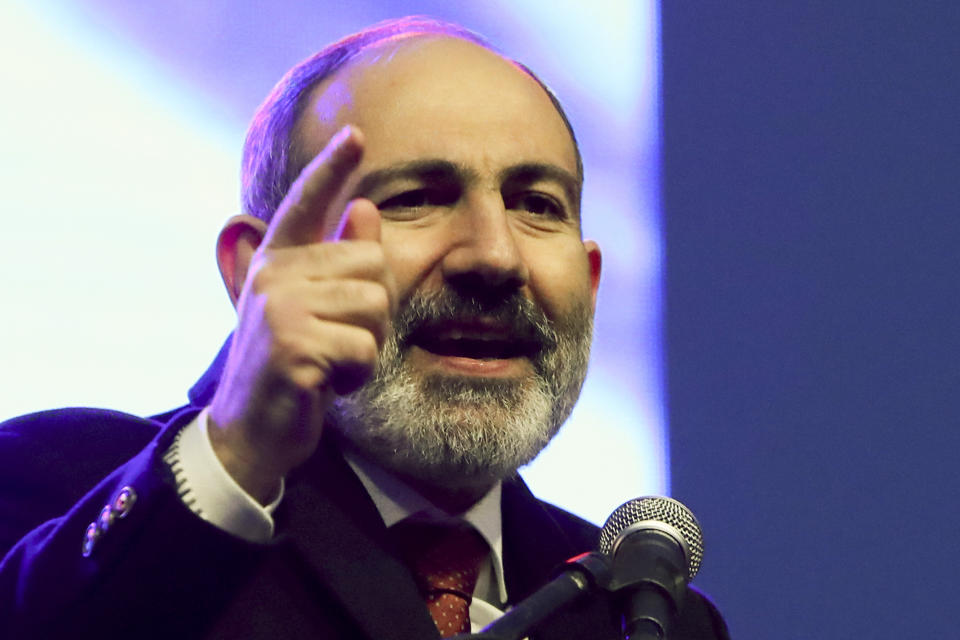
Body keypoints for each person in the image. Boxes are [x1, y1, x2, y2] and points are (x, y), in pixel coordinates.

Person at [0, 17, 729, 640]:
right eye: (417, 197)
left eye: (536, 204)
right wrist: (236, 453)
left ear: (590, 280)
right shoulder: (59, 484)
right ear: (258, 271)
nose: (495, 255)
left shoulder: (640, 612)